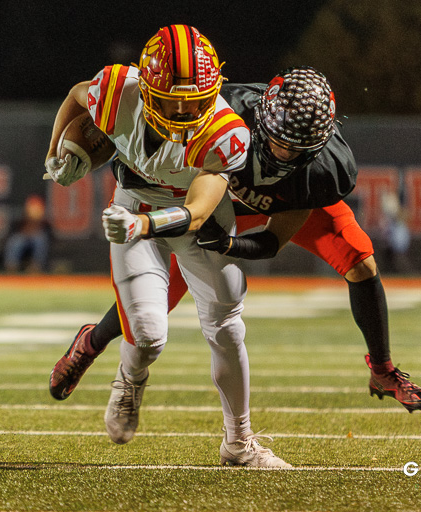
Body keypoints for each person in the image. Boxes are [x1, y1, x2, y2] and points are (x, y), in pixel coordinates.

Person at [50, 67, 421, 416]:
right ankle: (91, 342)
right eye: (278, 141)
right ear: (261, 121)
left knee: (360, 259)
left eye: (296, 149)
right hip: (214, 194)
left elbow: (271, 241)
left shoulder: (318, 173)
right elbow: (148, 135)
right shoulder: (222, 114)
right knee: (157, 299)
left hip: (283, 201)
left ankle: (383, 370)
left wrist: (230, 246)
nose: (283, 154)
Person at [44, 25, 289, 468]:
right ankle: (129, 378)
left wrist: (141, 224)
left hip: (196, 223)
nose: (181, 110)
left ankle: (239, 443)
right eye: (171, 99)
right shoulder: (120, 90)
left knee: (228, 326)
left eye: (192, 99)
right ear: (147, 85)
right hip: (135, 204)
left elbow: (197, 211)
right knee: (149, 337)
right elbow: (77, 95)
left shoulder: (225, 131)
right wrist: (54, 151)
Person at [3, 194, 52, 273]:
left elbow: (48, 235)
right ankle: (11, 266)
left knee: (40, 239)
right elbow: (16, 232)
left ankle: (36, 267)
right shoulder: (22, 220)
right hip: (24, 240)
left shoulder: (45, 222)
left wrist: (35, 226)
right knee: (16, 241)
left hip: (37, 242)